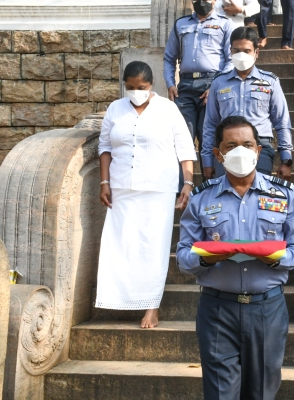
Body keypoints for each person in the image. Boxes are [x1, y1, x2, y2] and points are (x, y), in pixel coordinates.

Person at [177, 116, 294, 399]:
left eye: (247, 144)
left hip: (267, 308)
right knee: (220, 394)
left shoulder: (284, 194)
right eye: (232, 145)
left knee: (261, 392)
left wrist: (271, 256)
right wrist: (206, 258)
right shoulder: (201, 197)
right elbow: (183, 257)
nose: (241, 151)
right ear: (218, 154)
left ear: (258, 151)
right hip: (217, 309)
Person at [96, 61, 197, 328]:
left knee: (154, 248)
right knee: (119, 246)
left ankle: (152, 307)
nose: (135, 91)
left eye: (141, 87)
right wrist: (104, 181)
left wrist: (187, 183)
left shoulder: (168, 109)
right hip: (121, 187)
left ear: (151, 85)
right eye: (130, 87)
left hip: (158, 190)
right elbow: (105, 146)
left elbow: (185, 149)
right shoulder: (115, 109)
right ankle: (120, 299)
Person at [202, 27, 293, 181]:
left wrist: (286, 159)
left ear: (256, 52)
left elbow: (282, 121)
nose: (241, 55)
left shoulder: (270, 82)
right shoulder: (218, 83)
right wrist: (207, 161)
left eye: (246, 51)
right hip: (227, 147)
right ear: (230, 51)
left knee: (258, 196)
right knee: (225, 198)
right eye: (236, 51)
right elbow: (210, 123)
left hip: (259, 147)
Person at [163, 0, 234, 174]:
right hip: (184, 87)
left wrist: (216, 87)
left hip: (211, 84)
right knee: (181, 137)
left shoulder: (225, 24)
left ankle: (208, 187)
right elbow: (169, 58)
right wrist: (170, 83)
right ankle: (182, 189)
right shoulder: (181, 24)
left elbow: (230, 60)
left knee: (207, 137)